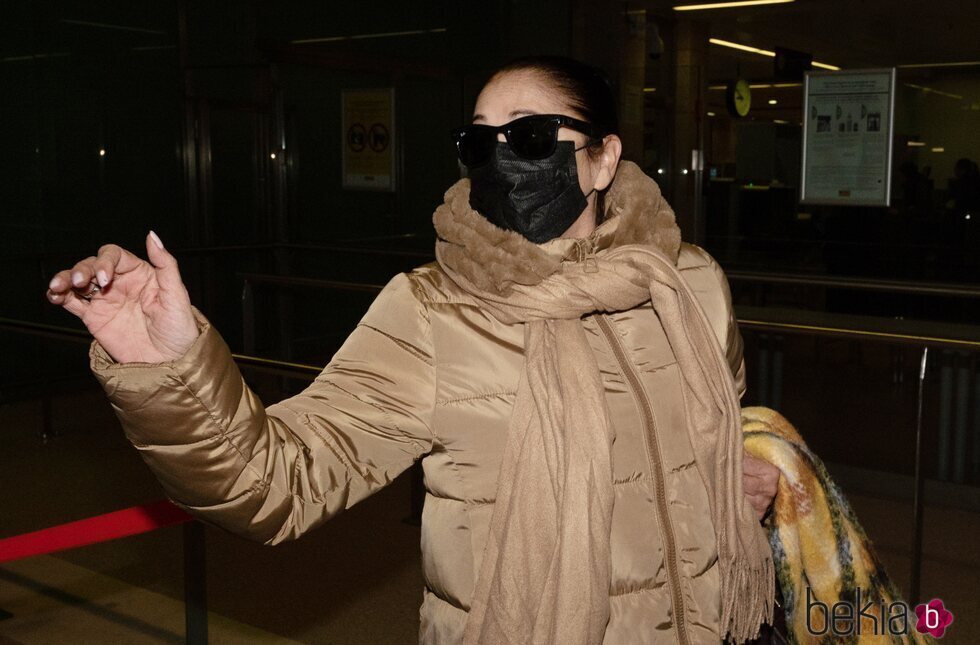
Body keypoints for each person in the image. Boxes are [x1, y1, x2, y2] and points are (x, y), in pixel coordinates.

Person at [46, 56, 779, 644]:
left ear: (602, 158)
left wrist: (732, 466)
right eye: (479, 142)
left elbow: (724, 409)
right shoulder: (432, 309)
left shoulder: (689, 284)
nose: (501, 158)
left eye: (528, 137)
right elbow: (276, 484)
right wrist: (166, 364)